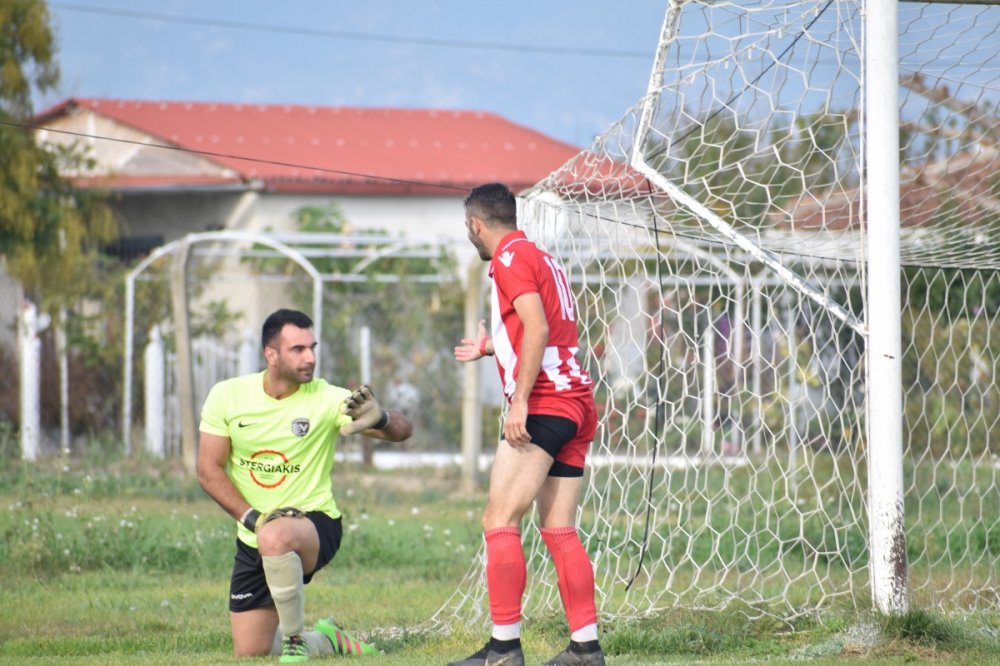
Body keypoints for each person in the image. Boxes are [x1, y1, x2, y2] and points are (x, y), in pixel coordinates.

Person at [197, 308, 413, 662]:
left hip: (315, 525)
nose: (310, 357)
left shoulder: (326, 398)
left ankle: (295, 638)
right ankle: (327, 640)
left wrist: (383, 418)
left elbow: (404, 430)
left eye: (312, 347)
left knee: (276, 536)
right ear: (271, 355)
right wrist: (253, 519)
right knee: (252, 651)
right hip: (255, 534)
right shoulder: (228, 396)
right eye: (298, 349)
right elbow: (208, 469)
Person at [451, 183, 605, 666]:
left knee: (498, 519)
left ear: (476, 225)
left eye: (467, 229)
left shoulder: (509, 261)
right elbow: (546, 332)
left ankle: (503, 649)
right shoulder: (542, 257)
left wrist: (518, 401)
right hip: (577, 399)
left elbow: (536, 328)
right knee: (559, 528)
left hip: (544, 403)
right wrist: (492, 346)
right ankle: (585, 648)